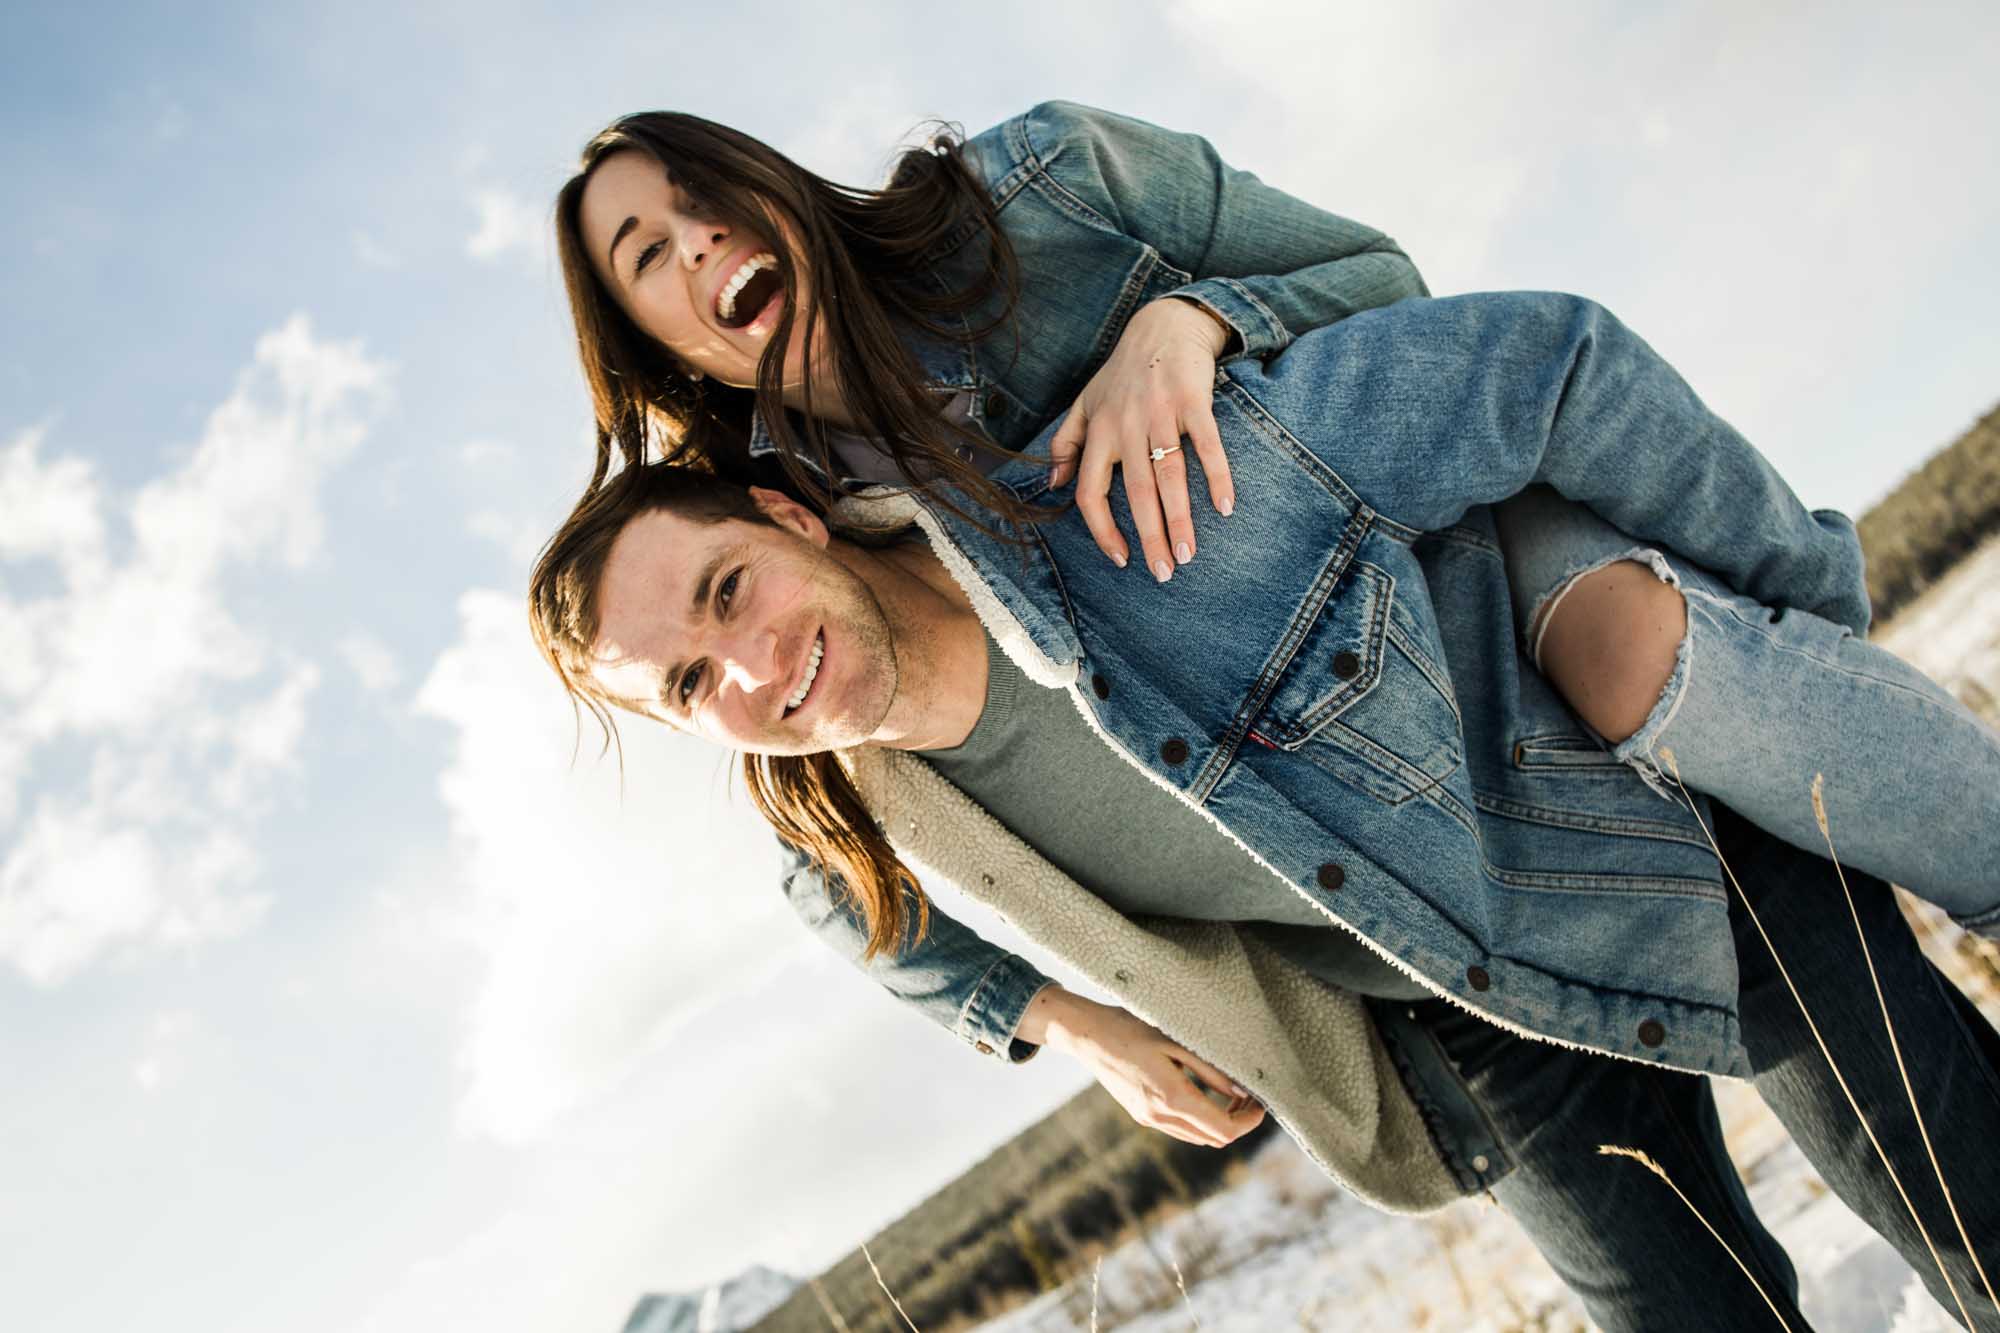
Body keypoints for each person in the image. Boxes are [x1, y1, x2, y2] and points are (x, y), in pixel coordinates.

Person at [528, 292, 2000, 1330]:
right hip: (1459, 1006)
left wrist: (1795, 599)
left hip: (1616, 824)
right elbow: (851, 916)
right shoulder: (855, 808)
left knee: (1963, 1204)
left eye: (729, 592)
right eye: (689, 684)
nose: (752, 668)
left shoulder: (1075, 494)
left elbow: (1524, 361)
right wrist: (1069, 1025)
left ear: (790, 519)